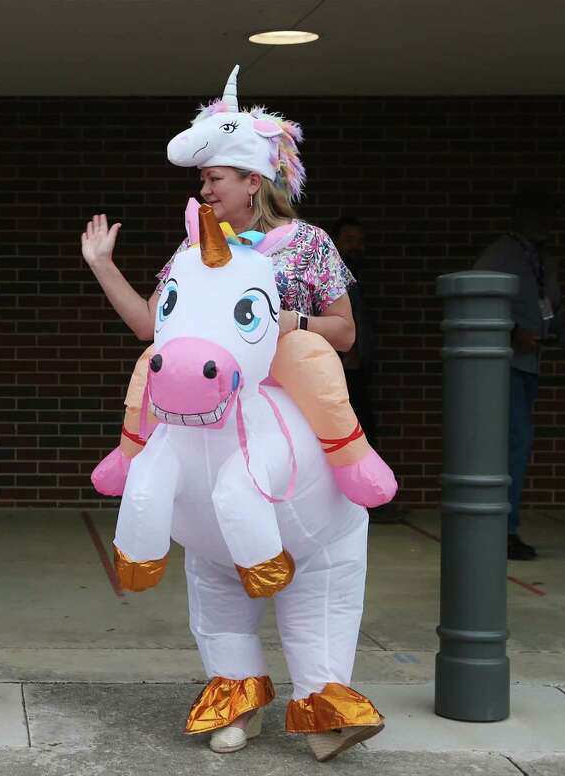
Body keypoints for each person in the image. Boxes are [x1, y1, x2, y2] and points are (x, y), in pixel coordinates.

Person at [83, 65, 385, 761]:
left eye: (215, 176)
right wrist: (103, 265)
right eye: (202, 180)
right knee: (153, 392)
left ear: (254, 180)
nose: (205, 187)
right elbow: (151, 332)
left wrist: (287, 321)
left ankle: (352, 462)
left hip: (281, 397)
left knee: (311, 378)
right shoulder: (192, 252)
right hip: (208, 410)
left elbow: (344, 332)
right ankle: (236, 693)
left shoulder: (307, 245)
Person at [475, 190, 565, 561]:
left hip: (530, 364)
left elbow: (550, 307)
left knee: (518, 444)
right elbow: (476, 297)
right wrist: (512, 332)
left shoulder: (542, 259)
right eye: (540, 215)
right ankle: (504, 530)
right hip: (504, 366)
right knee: (514, 445)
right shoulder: (503, 254)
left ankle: (506, 526)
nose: (547, 224)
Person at [332, 218, 404, 524]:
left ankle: (369, 499)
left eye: (359, 241)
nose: (355, 247)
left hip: (359, 367)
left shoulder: (361, 280)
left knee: (365, 433)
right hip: (334, 369)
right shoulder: (331, 277)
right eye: (348, 240)